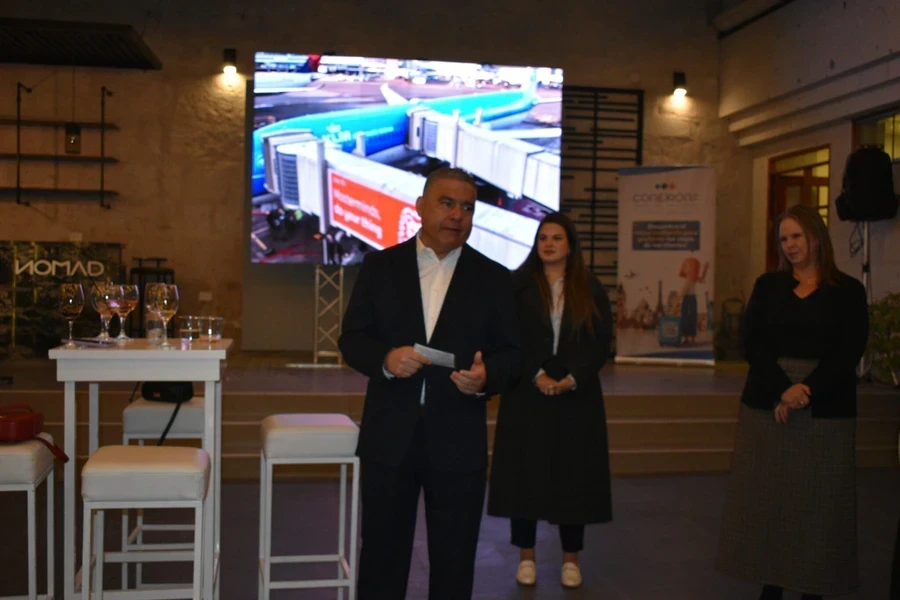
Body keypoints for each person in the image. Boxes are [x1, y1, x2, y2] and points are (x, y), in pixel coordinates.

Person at [338, 167, 523, 600]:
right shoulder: (381, 267)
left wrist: (486, 377)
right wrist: (385, 359)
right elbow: (352, 339)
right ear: (420, 207)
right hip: (389, 436)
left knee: (455, 562)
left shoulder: (494, 278)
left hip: (459, 438)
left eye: (467, 208)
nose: (457, 215)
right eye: (447, 203)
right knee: (382, 558)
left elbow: (514, 355)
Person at [715, 204, 869, 600]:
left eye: (797, 236)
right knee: (771, 501)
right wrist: (784, 389)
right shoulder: (769, 286)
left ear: (816, 237)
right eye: (783, 239)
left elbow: (849, 350)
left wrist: (807, 390)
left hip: (827, 407)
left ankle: (812, 586)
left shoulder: (849, 290)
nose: (790, 245)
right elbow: (753, 342)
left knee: (819, 504)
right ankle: (772, 585)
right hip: (769, 402)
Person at [487, 213, 613, 590]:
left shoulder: (590, 287)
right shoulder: (517, 285)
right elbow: (507, 337)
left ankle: (571, 560)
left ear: (570, 245)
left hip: (577, 396)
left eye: (557, 238)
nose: (549, 244)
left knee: (574, 478)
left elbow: (600, 341)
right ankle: (526, 557)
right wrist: (536, 374)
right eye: (543, 237)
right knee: (524, 476)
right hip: (527, 394)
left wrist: (572, 378)